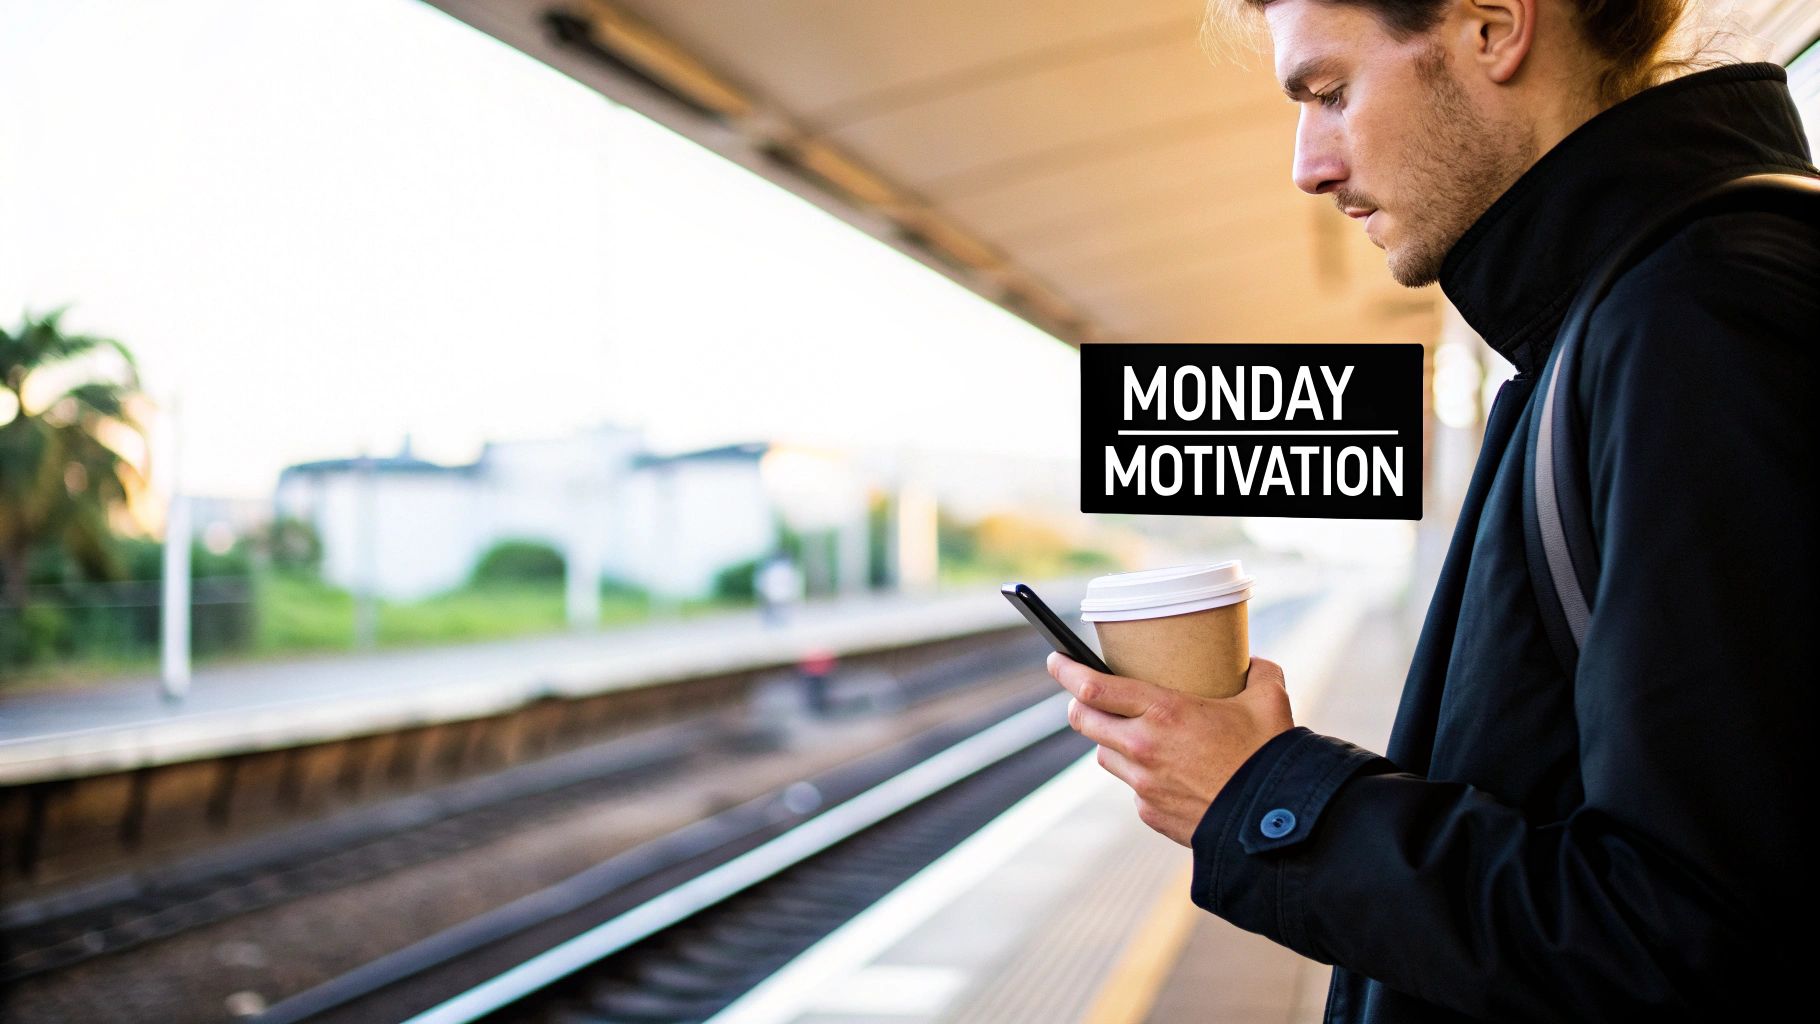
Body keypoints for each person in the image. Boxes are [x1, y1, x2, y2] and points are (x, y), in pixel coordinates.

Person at [1044, 0, 1818, 1020]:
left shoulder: (1692, 323)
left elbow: (1689, 941)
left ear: (1493, 27)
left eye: (1328, 93)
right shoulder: (1610, 323)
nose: (1306, 166)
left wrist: (1265, 798)